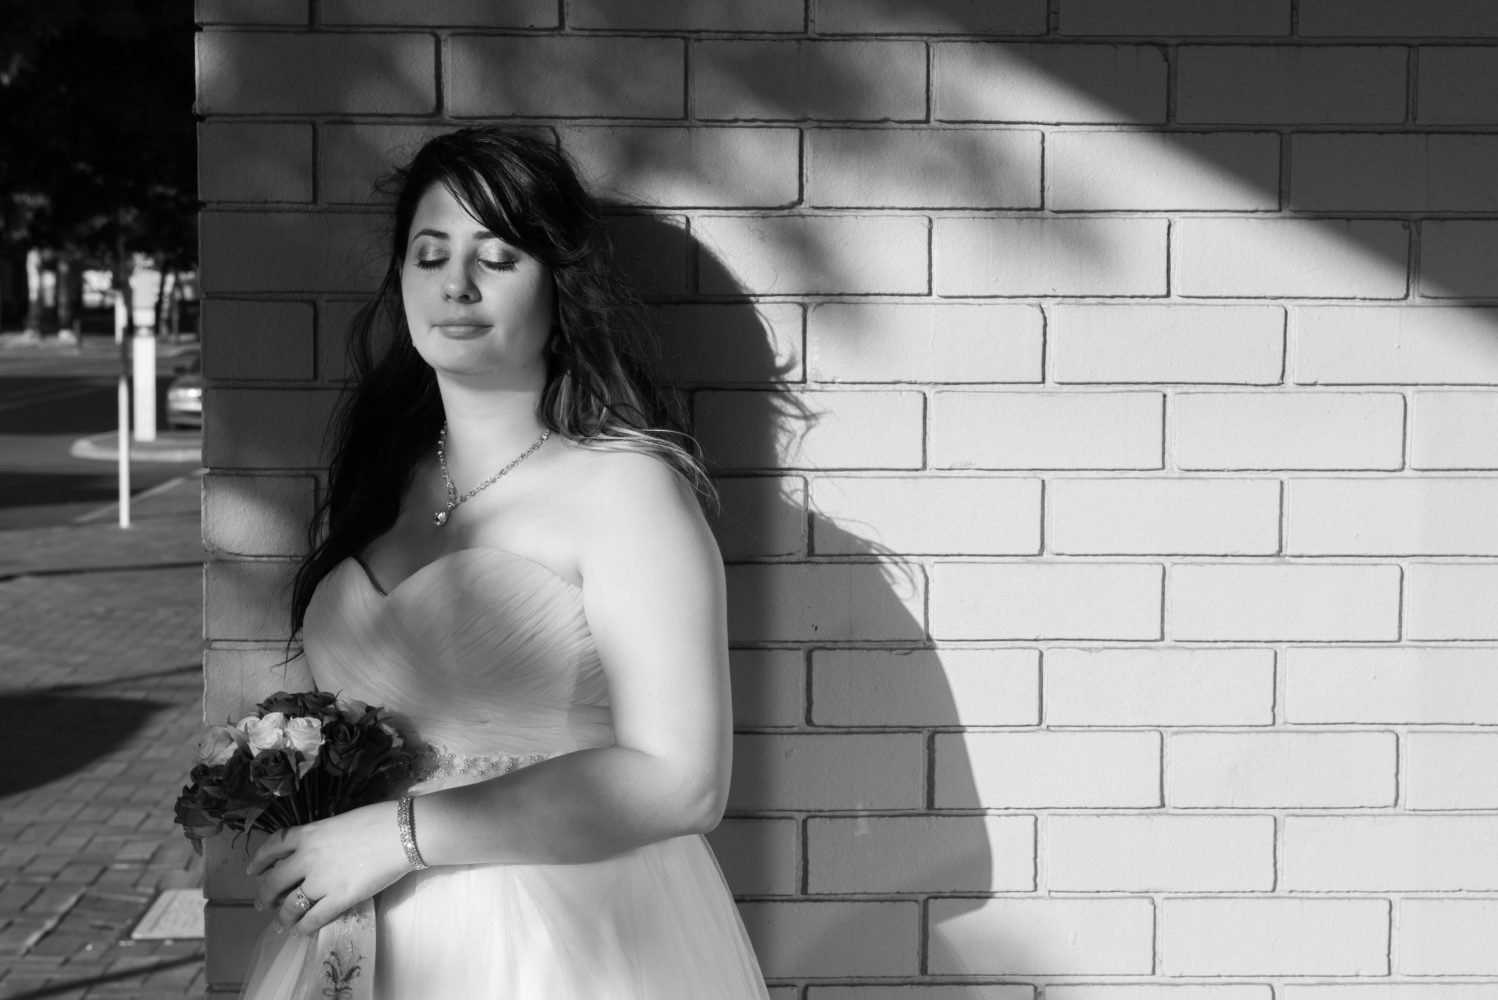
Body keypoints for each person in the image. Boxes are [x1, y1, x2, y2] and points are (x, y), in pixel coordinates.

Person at [236, 127, 770, 998]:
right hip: (358, 944)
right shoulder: (385, 482)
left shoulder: (626, 490)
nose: (455, 283)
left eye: (497, 256)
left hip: (553, 944)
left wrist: (396, 836)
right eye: (430, 253)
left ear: (560, 288)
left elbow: (682, 781)